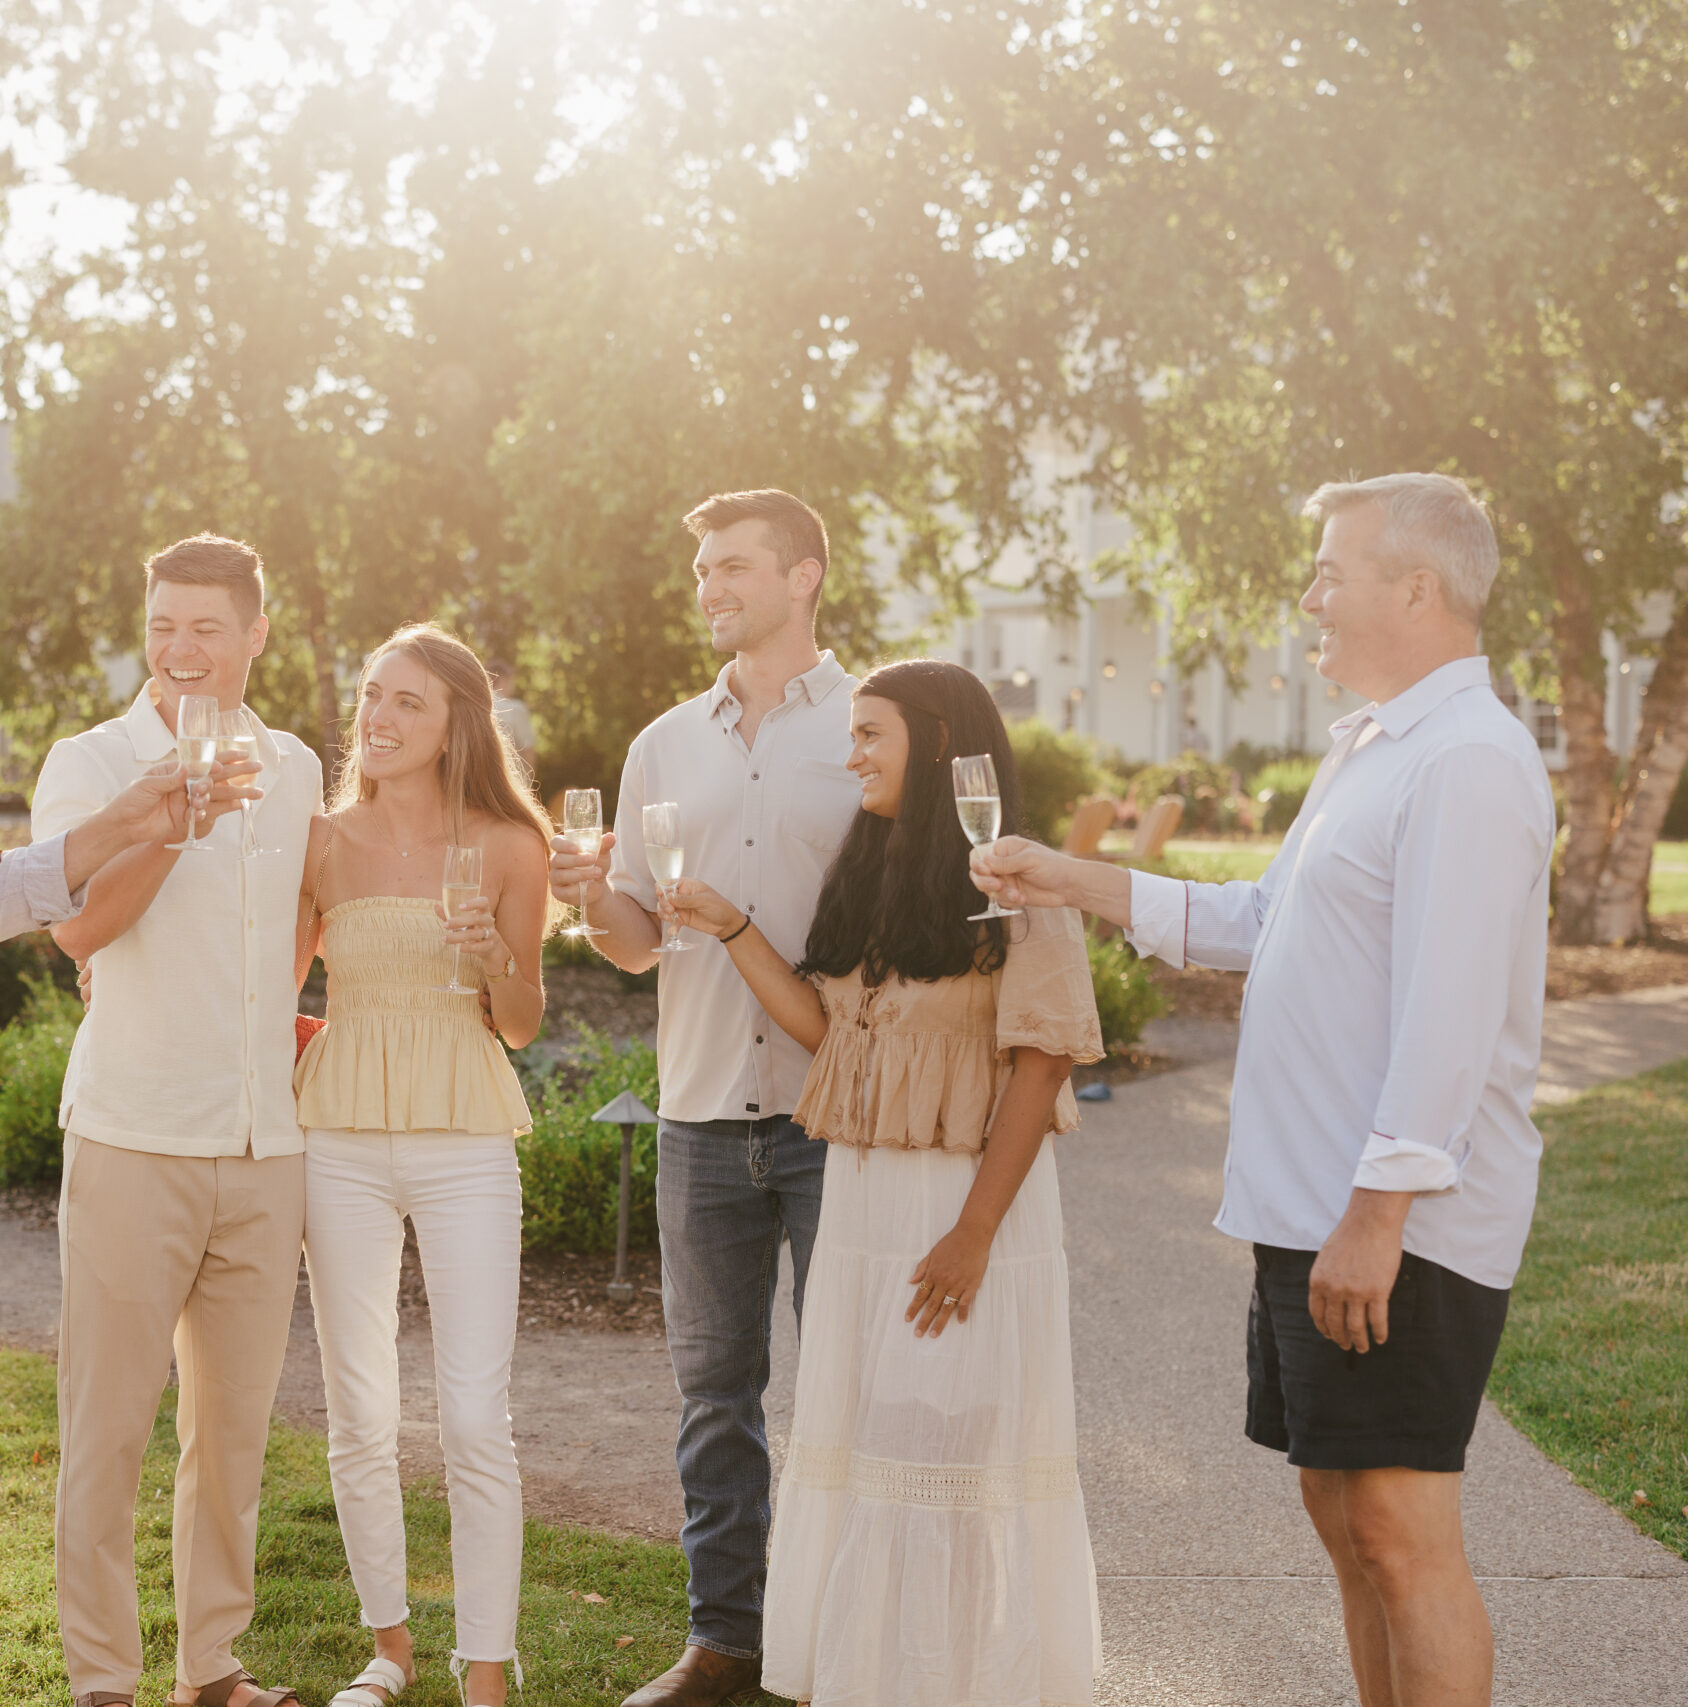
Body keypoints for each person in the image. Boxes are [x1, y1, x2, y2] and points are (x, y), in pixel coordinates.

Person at [974, 474, 1549, 1707]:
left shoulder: (1467, 763)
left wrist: (1377, 1217)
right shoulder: (1372, 748)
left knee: (1401, 1534)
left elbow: (1449, 1016)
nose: (1309, 598)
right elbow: (1258, 921)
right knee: (1343, 1524)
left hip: (1396, 1224)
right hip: (1311, 1210)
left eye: (1330, 572)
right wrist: (1070, 878)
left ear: (1416, 587)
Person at [666, 659, 1104, 1706]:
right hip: (862, 1198)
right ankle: (872, 1678)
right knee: (869, 1449)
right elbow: (831, 1037)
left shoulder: (1012, 882)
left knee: (947, 1453)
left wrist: (972, 1233)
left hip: (960, 1204)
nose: (851, 754)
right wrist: (731, 927)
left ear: (939, 744)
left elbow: (1041, 1065)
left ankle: (956, 1683)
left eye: (871, 735)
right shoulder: (870, 873)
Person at [548, 489, 861, 1707]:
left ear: (805, 577)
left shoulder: (869, 726)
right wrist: (588, 895)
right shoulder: (662, 742)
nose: (710, 587)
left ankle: (840, 1641)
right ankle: (725, 1644)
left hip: (836, 1111)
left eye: (733, 566)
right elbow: (633, 942)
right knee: (713, 1401)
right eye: (701, 571)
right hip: (698, 1112)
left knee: (846, 1386)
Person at [30, 534, 321, 1707]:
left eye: (206, 626)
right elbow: (75, 932)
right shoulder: (90, 760)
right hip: (135, 1136)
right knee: (105, 1432)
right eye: (161, 625)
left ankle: (213, 1668)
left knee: (232, 1440)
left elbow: (299, 918)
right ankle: (104, 1678)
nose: (179, 649)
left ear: (256, 634)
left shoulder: (296, 764)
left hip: (265, 1150)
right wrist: (176, 822)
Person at [293, 625, 552, 1707]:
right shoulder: (317, 840)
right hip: (339, 1136)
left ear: (456, 727)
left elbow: (526, 1021)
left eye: (406, 703)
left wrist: (491, 954)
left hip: (463, 1136)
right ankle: (388, 1649)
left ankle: (484, 1668)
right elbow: (272, 996)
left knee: (473, 1417)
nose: (378, 720)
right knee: (357, 1409)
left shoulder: (506, 844)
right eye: (370, 697)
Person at [487, 658, 537, 779]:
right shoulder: (516, 708)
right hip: (511, 781)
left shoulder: (476, 707)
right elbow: (528, 750)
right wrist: (529, 785)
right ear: (504, 680)